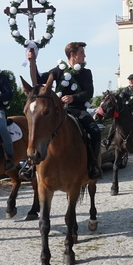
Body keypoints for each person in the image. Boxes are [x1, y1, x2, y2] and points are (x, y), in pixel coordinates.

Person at [27, 42, 102, 179]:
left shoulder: (86, 72)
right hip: (58, 110)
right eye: (82, 53)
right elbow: (38, 78)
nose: (84, 55)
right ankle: (32, 165)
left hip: (78, 110)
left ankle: (93, 165)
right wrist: (32, 62)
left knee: (95, 132)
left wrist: (73, 98)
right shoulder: (58, 70)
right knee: (39, 127)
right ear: (73, 55)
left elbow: (89, 92)